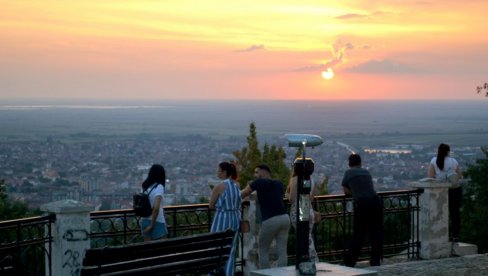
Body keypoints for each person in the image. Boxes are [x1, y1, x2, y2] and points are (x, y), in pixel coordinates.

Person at [241, 164, 291, 269]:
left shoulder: (259, 183)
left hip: (270, 219)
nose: (255, 175)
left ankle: (265, 273)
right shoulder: (279, 183)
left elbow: (243, 193)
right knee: (282, 249)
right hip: (285, 218)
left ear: (264, 172)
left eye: (257, 172)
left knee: (263, 249)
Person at [341, 154, 383, 267]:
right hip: (375, 202)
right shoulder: (366, 172)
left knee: (359, 234)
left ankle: (350, 262)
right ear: (360, 163)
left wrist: (354, 192)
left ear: (349, 163)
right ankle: (375, 261)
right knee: (376, 233)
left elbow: (345, 191)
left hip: (362, 204)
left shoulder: (348, 173)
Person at [209, 162, 241, 276]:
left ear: (224, 172)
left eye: (219, 170)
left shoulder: (219, 187)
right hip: (235, 219)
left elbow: (211, 205)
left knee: (216, 248)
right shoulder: (236, 185)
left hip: (222, 219)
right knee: (231, 250)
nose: (217, 172)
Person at [428, 143, 463, 241]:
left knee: (441, 213)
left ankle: (443, 235)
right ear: (448, 151)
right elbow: (460, 176)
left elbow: (430, 177)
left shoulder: (434, 161)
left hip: (440, 191)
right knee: (455, 214)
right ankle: (455, 235)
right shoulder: (453, 161)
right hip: (455, 190)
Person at [285, 162, 319, 263]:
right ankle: (309, 260)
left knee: (304, 239)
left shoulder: (294, 180)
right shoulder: (311, 180)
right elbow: (312, 197)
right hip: (308, 210)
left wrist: (286, 194)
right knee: (307, 237)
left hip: (297, 211)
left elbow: (291, 199)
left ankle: (311, 261)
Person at [140, 164, 168, 241]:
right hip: (156, 221)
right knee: (162, 250)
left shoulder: (145, 186)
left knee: (148, 250)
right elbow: (156, 208)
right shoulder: (159, 187)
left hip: (144, 220)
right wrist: (152, 225)